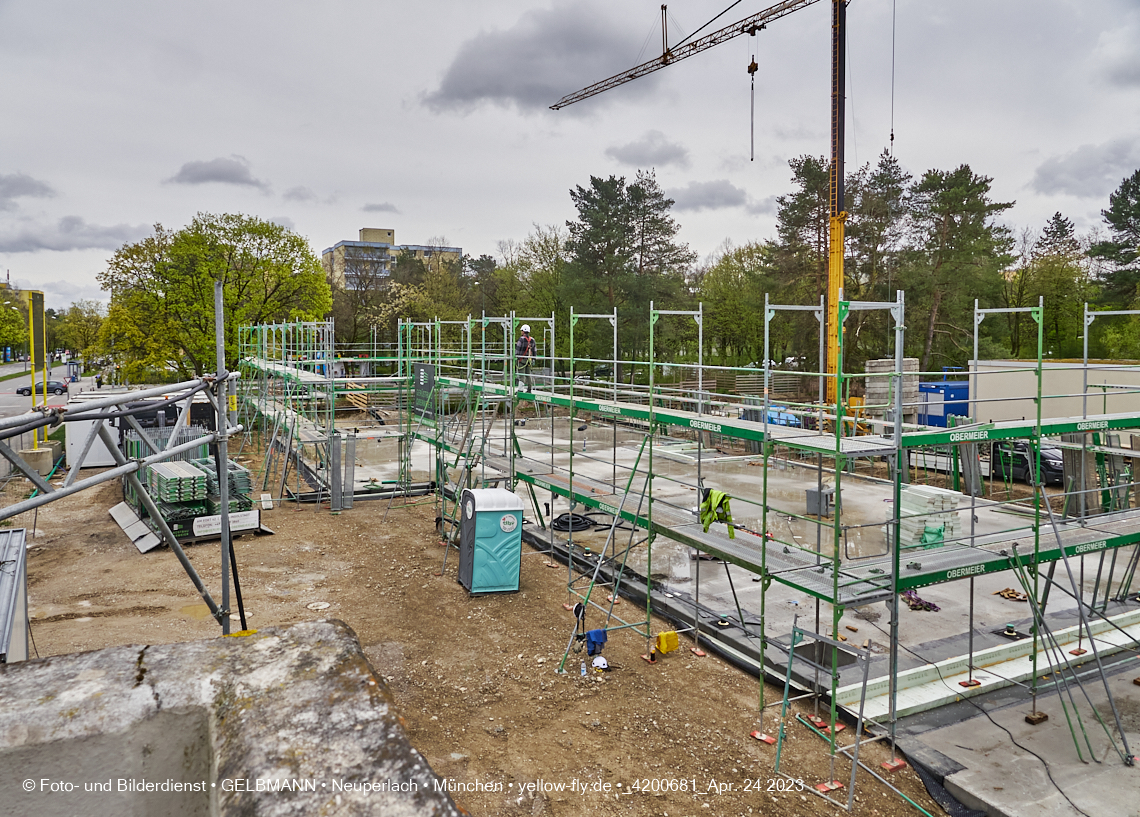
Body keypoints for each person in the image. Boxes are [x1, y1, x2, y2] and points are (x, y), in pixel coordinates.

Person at [516, 324, 537, 391]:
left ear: (523, 331)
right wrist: (534, 358)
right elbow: (534, 350)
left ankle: (520, 389)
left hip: (521, 360)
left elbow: (517, 349)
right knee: (528, 374)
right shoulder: (532, 340)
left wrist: (516, 357)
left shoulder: (521, 339)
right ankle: (529, 388)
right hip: (529, 360)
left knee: (521, 375)